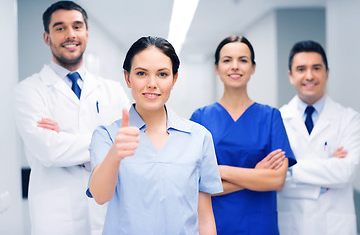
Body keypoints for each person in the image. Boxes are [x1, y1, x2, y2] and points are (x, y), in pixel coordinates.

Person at [87, 36, 223, 234]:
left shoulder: (199, 137)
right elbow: (100, 196)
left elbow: (205, 218)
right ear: (127, 78)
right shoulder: (107, 136)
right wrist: (115, 155)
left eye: (162, 74)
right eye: (141, 73)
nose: (152, 83)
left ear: (174, 79)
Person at [14, 0, 129, 235]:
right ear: (47, 37)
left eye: (77, 26)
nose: (70, 34)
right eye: (60, 28)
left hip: (106, 210)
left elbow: (130, 144)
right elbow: (48, 150)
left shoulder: (112, 90)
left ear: (87, 33)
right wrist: (109, 143)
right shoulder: (29, 91)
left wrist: (66, 139)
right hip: (55, 215)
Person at [190, 35, 297, 234]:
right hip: (214, 225)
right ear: (216, 68)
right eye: (227, 60)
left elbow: (276, 180)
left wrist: (218, 171)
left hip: (260, 226)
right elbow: (195, 183)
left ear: (253, 67)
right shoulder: (200, 118)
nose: (235, 66)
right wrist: (256, 175)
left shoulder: (271, 117)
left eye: (243, 60)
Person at [277, 40, 360, 235]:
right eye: (301, 69)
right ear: (290, 75)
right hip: (292, 224)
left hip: (335, 226)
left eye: (316, 68)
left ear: (327, 73)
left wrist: (290, 169)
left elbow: (346, 171)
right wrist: (327, 167)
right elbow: (275, 178)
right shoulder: (278, 119)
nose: (309, 76)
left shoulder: (350, 119)